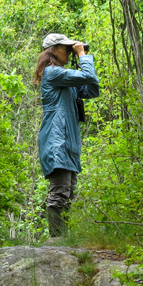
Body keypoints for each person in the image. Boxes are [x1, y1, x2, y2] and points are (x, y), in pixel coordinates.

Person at [33, 33, 99, 237]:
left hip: (68, 141)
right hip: (56, 139)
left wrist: (82, 59)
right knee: (60, 193)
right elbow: (88, 76)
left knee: (69, 194)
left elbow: (92, 88)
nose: (70, 50)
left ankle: (63, 240)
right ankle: (56, 241)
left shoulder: (64, 78)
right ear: (54, 50)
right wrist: (82, 56)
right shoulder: (52, 73)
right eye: (67, 48)